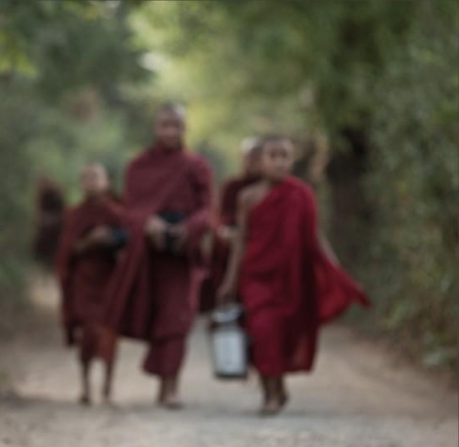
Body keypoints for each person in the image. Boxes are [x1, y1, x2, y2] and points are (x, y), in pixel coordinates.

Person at [217, 136, 369, 415]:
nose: (279, 162)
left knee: (281, 333)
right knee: (261, 330)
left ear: (291, 161)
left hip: (290, 277)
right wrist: (229, 280)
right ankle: (269, 394)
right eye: (272, 156)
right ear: (259, 162)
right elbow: (241, 241)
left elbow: (314, 235)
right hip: (256, 276)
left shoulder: (301, 194)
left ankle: (278, 387)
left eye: (284, 156)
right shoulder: (247, 198)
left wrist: (335, 270)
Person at [105, 103, 213, 408]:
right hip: (147, 255)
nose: (170, 131)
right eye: (165, 125)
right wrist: (147, 222)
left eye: (176, 125)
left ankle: (171, 388)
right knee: (153, 314)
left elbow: (207, 209)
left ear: (184, 129)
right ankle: (162, 383)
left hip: (180, 254)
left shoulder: (196, 166)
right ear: (156, 128)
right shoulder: (138, 166)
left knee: (176, 319)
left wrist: (188, 228)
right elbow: (130, 210)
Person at [55, 164, 124, 405]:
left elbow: (130, 246)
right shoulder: (74, 214)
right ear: (81, 184)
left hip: (110, 280)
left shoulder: (118, 212)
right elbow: (67, 250)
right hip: (83, 282)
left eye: (97, 178)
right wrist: (89, 242)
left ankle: (107, 388)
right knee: (87, 335)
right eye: (87, 178)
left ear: (106, 182)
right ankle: (85, 387)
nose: (92, 182)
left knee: (109, 335)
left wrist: (111, 240)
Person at [200, 137, 264, 312]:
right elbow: (220, 216)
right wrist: (223, 230)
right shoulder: (232, 187)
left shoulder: (276, 189)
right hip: (235, 246)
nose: (254, 163)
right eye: (250, 158)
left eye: (259, 157)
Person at [33, 176, 66, 269]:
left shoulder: (55, 194)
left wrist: (49, 219)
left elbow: (62, 213)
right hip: (46, 228)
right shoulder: (42, 194)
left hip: (55, 229)